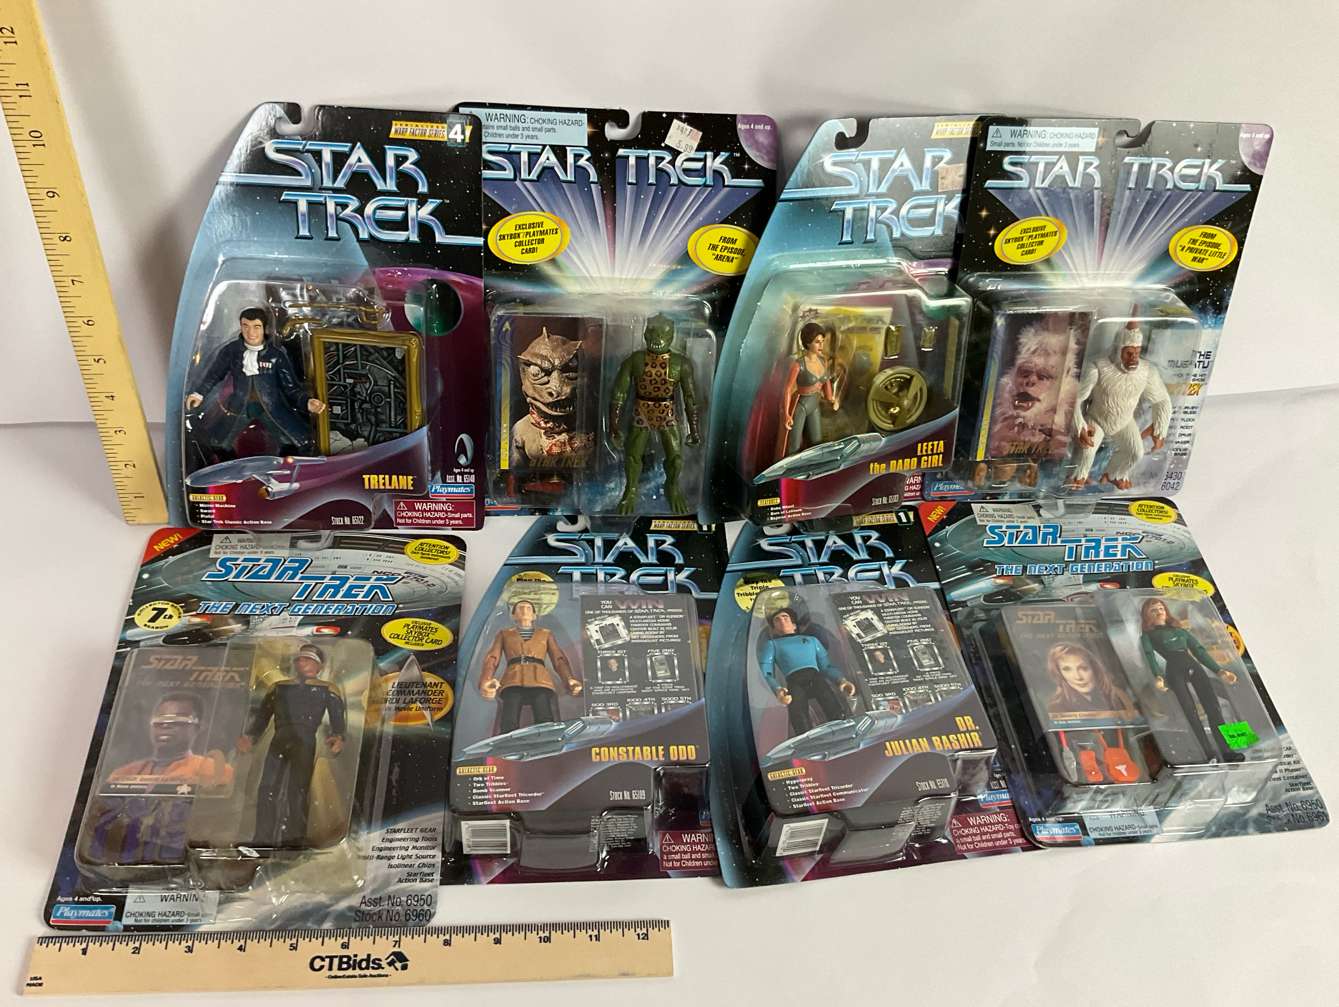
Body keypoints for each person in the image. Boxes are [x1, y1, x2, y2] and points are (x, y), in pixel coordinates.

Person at [238, 644, 347, 848]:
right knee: (267, 788)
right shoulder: (278, 687)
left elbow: (337, 716)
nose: (302, 663)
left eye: (309, 660)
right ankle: (262, 839)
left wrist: (338, 735)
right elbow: (262, 716)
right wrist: (251, 736)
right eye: (300, 659)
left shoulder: (327, 688)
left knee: (298, 789)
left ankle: (294, 838)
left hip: (305, 740)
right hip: (279, 739)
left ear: (319, 665)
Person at [185, 306, 326, 456]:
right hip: (239, 407)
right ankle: (228, 465)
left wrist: (306, 402)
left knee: (297, 441)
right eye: (246, 326)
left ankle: (287, 465)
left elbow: (291, 388)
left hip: (271, 408)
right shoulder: (231, 351)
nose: (250, 332)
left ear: (264, 328)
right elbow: (214, 375)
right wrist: (199, 394)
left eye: (256, 327)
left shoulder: (276, 356)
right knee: (217, 442)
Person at [1068, 321, 1171, 489]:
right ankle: (1077, 478)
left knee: (1135, 452)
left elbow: (1162, 400)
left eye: (1137, 352)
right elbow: (1075, 400)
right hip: (1097, 418)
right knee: (1087, 450)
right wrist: (1080, 426)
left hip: (1125, 421)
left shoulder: (1147, 372)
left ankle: (1114, 474)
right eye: (1129, 353)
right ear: (1118, 350)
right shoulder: (1097, 368)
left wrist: (1160, 430)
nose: (1133, 358)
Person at [1139, 598, 1244, 763]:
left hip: (1194, 667)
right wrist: (1158, 676)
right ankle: (1208, 754)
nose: (1159, 612)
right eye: (1153, 610)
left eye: (1161, 608)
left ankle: (1228, 750)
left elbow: (1199, 651)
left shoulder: (1181, 631)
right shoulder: (1148, 636)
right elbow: (1149, 656)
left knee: (1214, 708)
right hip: (1174, 671)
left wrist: (1219, 671)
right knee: (1190, 713)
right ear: (1147, 616)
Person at [478, 600, 583, 733]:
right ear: (513, 615)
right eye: (520, 608)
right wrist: (486, 679)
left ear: (534, 615)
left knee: (544, 716)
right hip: (512, 679)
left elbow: (559, 659)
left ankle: (546, 737)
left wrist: (569, 679)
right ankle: (507, 739)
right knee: (509, 718)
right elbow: (492, 657)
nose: (524, 611)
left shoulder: (545, 634)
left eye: (528, 608)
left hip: (540, 680)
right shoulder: (504, 634)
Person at [759, 608, 856, 737]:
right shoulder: (772, 645)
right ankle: (805, 738)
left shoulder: (811, 641)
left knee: (831, 703)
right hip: (794, 681)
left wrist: (841, 680)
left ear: (794, 625)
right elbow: (766, 673)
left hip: (815, 677)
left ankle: (843, 729)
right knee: (798, 714)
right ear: (774, 630)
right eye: (777, 619)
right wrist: (777, 689)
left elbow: (826, 666)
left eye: (785, 617)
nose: (782, 620)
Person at [109, 692, 234, 791]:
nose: (165, 725)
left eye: (178, 719)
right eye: (160, 719)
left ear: (199, 727)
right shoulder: (124, 774)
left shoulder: (216, 771)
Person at [779, 322, 839, 457]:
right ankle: (790, 467)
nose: (821, 345)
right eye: (817, 342)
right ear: (808, 343)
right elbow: (787, 389)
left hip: (814, 406)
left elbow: (826, 382)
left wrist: (831, 399)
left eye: (822, 341)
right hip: (800, 407)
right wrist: (786, 414)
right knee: (794, 445)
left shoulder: (823, 361)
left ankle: (815, 465)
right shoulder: (798, 365)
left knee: (816, 442)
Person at [1044, 643, 1137, 720]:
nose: (1077, 677)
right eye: (1067, 669)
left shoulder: (1118, 696)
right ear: (1059, 674)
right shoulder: (1057, 707)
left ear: (1095, 669)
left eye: (1083, 668)